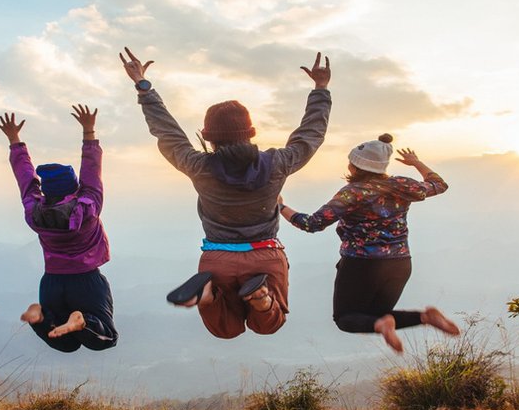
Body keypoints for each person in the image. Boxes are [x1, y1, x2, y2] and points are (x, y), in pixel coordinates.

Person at [119, 47, 331, 339]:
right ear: (251, 132)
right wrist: (320, 88)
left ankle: (207, 296)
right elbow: (311, 135)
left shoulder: (198, 166)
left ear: (208, 137)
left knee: (225, 330)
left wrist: (143, 86)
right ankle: (262, 300)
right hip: (264, 254)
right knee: (269, 325)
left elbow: (167, 133)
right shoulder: (277, 163)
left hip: (217, 257)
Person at [279, 135, 459, 353]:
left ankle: (393, 324)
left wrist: (281, 207)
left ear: (354, 166)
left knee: (345, 319)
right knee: (375, 316)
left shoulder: (353, 192)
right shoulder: (402, 185)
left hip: (361, 264)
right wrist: (416, 163)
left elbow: (312, 224)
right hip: (400, 263)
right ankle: (425, 317)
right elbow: (439, 185)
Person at [0, 106, 118, 353]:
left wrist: (14, 140)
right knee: (105, 336)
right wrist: (88, 130)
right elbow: (91, 170)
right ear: (74, 187)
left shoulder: (35, 211)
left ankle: (40, 317)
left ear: (46, 191)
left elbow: (26, 179)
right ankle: (82, 320)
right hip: (86, 280)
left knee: (66, 344)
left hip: (51, 283)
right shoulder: (88, 206)